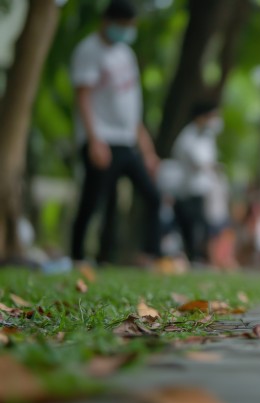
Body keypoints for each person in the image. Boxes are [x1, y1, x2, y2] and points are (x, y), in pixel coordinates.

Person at [70, 0, 161, 264]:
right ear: (107, 21)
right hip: (102, 139)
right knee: (94, 200)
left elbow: (132, 108)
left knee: (152, 196)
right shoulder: (89, 50)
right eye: (123, 25)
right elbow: (83, 97)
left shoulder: (126, 54)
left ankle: (150, 255)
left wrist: (148, 150)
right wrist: (93, 139)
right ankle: (79, 256)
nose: (126, 31)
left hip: (127, 140)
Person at [171, 102, 223, 262]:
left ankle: (200, 255)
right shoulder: (188, 136)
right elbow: (196, 161)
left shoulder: (206, 136)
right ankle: (193, 255)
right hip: (187, 189)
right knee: (191, 223)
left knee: (202, 223)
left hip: (202, 188)